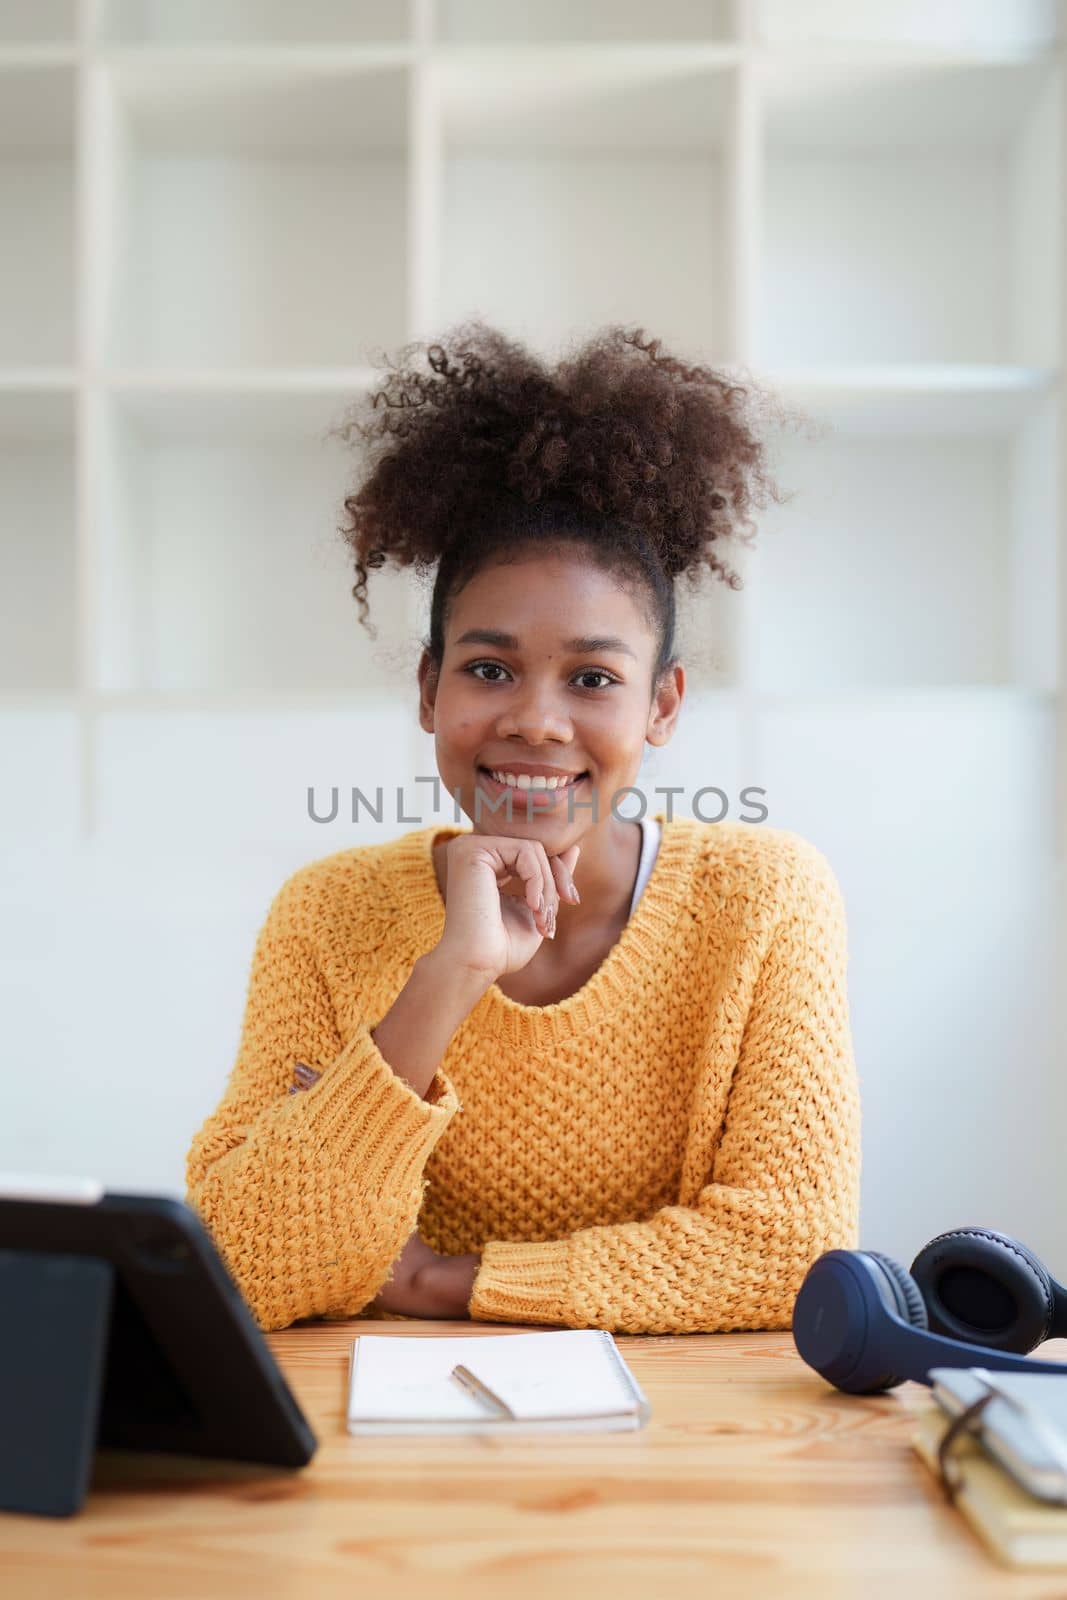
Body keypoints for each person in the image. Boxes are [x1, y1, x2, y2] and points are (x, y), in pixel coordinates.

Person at [185, 321, 861, 1335]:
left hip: (684, 1444)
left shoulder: (762, 898)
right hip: (395, 1453)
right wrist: (446, 976)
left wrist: (440, 1281)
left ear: (661, 706)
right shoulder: (328, 915)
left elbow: (790, 1249)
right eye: (488, 668)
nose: (536, 721)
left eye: (592, 678)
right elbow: (242, 1262)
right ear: (429, 687)